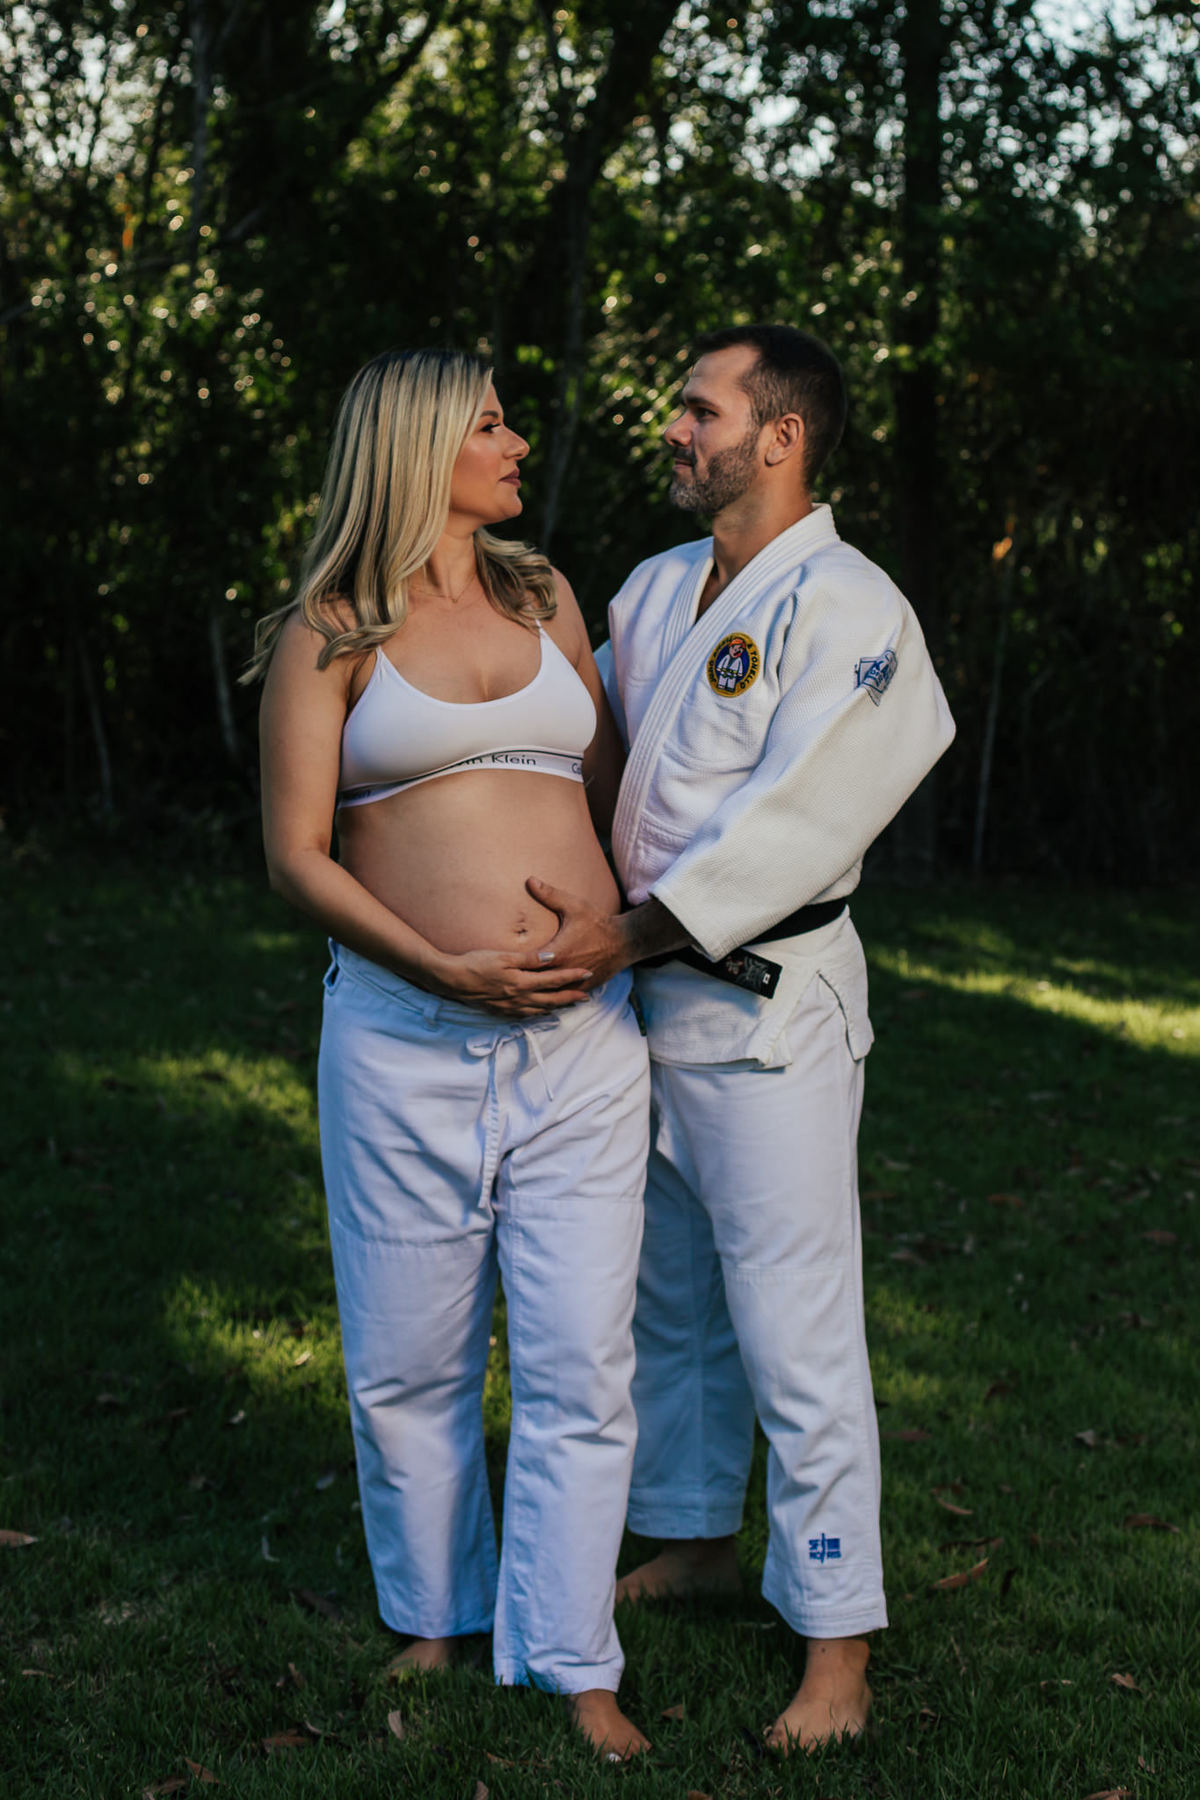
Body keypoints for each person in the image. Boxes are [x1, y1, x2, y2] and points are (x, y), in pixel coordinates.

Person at [524, 324, 956, 1752]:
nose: (676, 427)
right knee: (671, 1300)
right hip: (639, 1002)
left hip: (765, 1008)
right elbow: (586, 753)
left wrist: (624, 934)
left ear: (781, 437)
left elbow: (801, 823)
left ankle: (838, 1641)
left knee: (794, 1324)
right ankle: (698, 1534)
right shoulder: (656, 588)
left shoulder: (855, 610)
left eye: (700, 410)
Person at [247, 348, 651, 1759]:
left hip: (584, 1043)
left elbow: (612, 795)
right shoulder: (329, 629)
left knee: (582, 1362)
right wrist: (442, 965)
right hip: (403, 1042)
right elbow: (296, 855)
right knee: (407, 1363)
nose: (516, 441)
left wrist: (622, 935)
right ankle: (434, 1614)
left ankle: (572, 1656)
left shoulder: (546, 599)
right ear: (419, 446)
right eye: (489, 422)